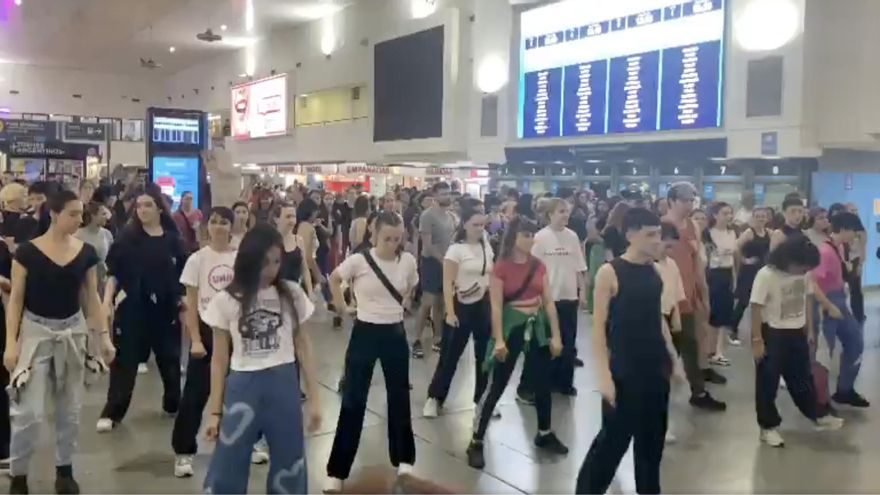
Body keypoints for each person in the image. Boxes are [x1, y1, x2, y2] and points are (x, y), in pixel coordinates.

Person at [4, 189, 115, 494]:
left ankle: (65, 469)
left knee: (70, 408)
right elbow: (16, 301)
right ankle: (19, 474)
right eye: (73, 214)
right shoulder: (26, 253)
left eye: (81, 214)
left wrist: (102, 337)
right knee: (29, 411)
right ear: (53, 214)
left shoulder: (85, 253)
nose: (79, 219)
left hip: (73, 331)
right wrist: (11, 344)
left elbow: (91, 299)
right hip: (36, 331)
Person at [202, 224, 321, 493]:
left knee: (291, 462)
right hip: (242, 387)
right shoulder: (226, 300)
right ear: (248, 260)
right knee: (228, 462)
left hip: (284, 385)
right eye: (264, 262)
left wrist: (315, 398)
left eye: (277, 261)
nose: (271, 269)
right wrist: (214, 412)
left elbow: (304, 346)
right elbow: (219, 359)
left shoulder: (291, 293)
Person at [576, 208, 681, 494]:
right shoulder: (610, 272)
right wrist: (604, 377)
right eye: (650, 234)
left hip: (655, 368)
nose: (656, 240)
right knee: (612, 443)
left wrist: (672, 355)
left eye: (658, 233)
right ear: (631, 235)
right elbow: (597, 329)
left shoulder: (656, 270)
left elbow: (657, 317)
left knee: (652, 443)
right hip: (625, 370)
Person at [325, 212, 419, 492]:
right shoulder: (359, 261)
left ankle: (404, 457)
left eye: (397, 238)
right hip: (365, 332)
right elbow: (334, 279)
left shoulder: (408, 261)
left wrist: (404, 303)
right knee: (354, 399)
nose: (393, 243)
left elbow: (411, 285)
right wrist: (342, 307)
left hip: (395, 333)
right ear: (373, 235)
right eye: (387, 238)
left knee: (399, 396)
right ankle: (337, 470)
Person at [466, 216, 566, 470]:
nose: (530, 239)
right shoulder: (501, 267)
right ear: (513, 236)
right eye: (525, 234)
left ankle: (544, 432)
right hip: (511, 328)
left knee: (543, 384)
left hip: (537, 326)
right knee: (497, 385)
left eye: (532, 234)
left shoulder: (539, 265)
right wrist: (498, 339)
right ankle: (476, 440)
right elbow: (497, 307)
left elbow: (549, 302)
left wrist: (556, 335)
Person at [96, 185, 187, 432]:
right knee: (125, 362)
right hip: (133, 309)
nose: (143, 210)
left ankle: (172, 403)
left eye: (148, 205)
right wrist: (106, 303)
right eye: (139, 206)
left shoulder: (173, 240)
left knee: (169, 359)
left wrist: (183, 300)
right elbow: (113, 274)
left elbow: (184, 274)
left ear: (159, 208)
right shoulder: (127, 240)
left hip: (166, 310)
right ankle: (112, 411)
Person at [750, 235, 844, 448]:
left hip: (797, 332)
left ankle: (815, 414)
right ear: (788, 260)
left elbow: (808, 298)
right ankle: (768, 427)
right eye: (801, 267)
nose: (804, 271)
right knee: (768, 381)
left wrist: (809, 328)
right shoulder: (766, 275)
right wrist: (756, 339)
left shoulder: (805, 274)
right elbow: (756, 307)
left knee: (802, 377)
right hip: (772, 333)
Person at [171, 207, 237, 478]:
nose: (219, 227)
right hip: (209, 334)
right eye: (215, 222)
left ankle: (249, 442)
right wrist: (196, 340)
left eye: (224, 222)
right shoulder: (197, 260)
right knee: (195, 396)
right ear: (207, 226)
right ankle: (184, 452)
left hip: (237, 333)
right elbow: (191, 303)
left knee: (239, 393)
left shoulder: (241, 258)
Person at [423, 207, 494, 417]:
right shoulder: (456, 250)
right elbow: (448, 283)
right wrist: (450, 312)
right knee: (450, 356)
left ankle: (481, 398)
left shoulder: (486, 246)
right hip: (460, 306)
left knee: (484, 356)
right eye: (475, 225)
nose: (480, 229)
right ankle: (435, 397)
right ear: (464, 225)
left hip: (483, 306)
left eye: (483, 225)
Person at [662, 183, 725, 410]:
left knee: (691, 343)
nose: (690, 205)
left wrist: (703, 293)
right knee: (666, 349)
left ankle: (698, 392)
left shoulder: (693, 227)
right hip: (665, 299)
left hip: (687, 295)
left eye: (692, 200)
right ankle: (660, 396)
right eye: (685, 200)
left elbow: (698, 262)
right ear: (672, 200)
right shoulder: (661, 227)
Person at [530, 198, 587, 396]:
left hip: (569, 296)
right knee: (549, 342)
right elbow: (533, 270)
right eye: (561, 211)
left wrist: (583, 291)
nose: (565, 215)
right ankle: (547, 381)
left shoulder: (572, 236)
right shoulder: (540, 237)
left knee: (569, 342)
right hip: (548, 299)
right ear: (550, 214)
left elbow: (580, 267)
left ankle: (565, 382)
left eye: (567, 211)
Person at [813, 211, 869, 408]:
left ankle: (845, 390)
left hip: (839, 301)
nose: (855, 235)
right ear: (844, 229)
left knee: (855, 341)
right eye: (854, 231)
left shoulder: (840, 248)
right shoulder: (825, 252)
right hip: (826, 304)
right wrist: (827, 306)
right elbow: (811, 283)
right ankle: (820, 400)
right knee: (823, 354)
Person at [413, 182, 456, 358]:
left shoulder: (451, 216)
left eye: (449, 193)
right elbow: (428, 245)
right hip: (432, 262)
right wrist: (443, 260)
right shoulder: (427, 216)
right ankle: (416, 339)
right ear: (435, 195)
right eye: (443, 193)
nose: (447, 196)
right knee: (428, 302)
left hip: (446, 262)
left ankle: (438, 337)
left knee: (441, 303)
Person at [703, 202, 737, 367]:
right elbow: (708, 257)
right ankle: (709, 350)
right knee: (713, 315)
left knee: (724, 315)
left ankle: (719, 351)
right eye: (725, 213)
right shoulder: (708, 233)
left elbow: (734, 255)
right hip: (713, 275)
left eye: (730, 213)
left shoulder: (732, 233)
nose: (729, 216)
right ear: (715, 215)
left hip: (727, 274)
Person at [731, 207, 771, 344]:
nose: (761, 218)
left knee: (763, 301)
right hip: (749, 272)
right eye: (758, 216)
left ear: (767, 218)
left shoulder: (769, 233)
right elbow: (735, 247)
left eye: (763, 216)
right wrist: (744, 260)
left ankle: (761, 331)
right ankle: (733, 329)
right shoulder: (749, 232)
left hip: (763, 271)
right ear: (753, 218)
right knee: (743, 301)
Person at [275, 203, 314, 299]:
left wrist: (310, 292)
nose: (292, 221)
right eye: (288, 217)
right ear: (276, 219)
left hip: (295, 294)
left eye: (294, 217)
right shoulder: (270, 240)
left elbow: (304, 268)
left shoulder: (298, 240)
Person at [74, 202, 114, 291]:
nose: (106, 217)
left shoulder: (107, 234)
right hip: (84, 281)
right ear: (93, 216)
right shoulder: (77, 235)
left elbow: (112, 258)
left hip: (103, 280)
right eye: (103, 214)